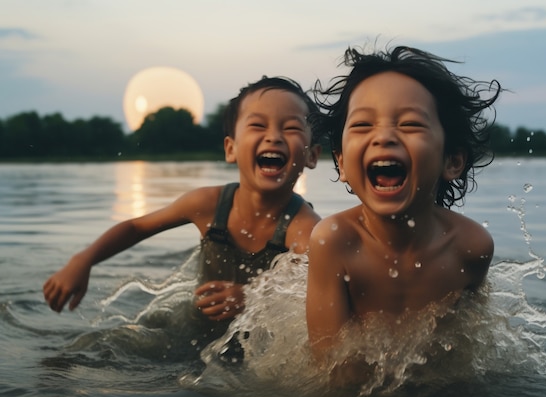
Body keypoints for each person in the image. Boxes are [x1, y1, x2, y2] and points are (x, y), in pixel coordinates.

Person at [44, 76, 322, 329]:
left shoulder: (304, 228)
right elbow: (137, 227)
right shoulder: (209, 205)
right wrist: (83, 260)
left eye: (291, 128)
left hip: (258, 345)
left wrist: (253, 298)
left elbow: (313, 291)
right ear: (231, 149)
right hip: (190, 329)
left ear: (311, 155)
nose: (273, 136)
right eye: (258, 125)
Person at [306, 45, 502, 361]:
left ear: (452, 161)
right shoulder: (334, 242)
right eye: (362, 125)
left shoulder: (471, 247)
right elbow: (329, 370)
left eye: (410, 124)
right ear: (341, 164)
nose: (383, 137)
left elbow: (470, 354)